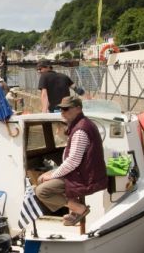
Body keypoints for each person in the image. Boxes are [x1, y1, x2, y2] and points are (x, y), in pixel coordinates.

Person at [34, 96, 107, 229]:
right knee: (40, 179)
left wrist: (53, 175)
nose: (62, 112)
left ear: (78, 109)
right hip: (82, 172)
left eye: (66, 109)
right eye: (61, 109)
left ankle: (79, 209)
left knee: (42, 191)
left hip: (84, 177)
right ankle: (73, 208)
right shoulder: (82, 124)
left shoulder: (80, 130)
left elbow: (73, 161)